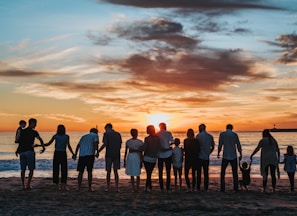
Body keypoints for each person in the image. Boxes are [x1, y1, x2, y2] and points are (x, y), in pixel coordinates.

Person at [45, 125, 75, 191]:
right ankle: (63, 185)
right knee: (64, 169)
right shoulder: (66, 136)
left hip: (57, 153)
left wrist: (41, 145)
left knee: (56, 169)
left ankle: (57, 185)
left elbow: (48, 144)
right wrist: (73, 153)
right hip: (63, 153)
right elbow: (68, 146)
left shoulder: (56, 136)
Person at [18, 118, 45, 190]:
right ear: (32, 123)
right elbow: (40, 139)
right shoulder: (34, 132)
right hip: (29, 151)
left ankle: (23, 185)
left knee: (23, 169)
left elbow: (19, 142)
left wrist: (18, 150)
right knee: (31, 169)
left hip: (22, 151)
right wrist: (43, 148)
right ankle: (28, 185)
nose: (36, 125)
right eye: (35, 123)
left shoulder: (22, 131)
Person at [217, 124, 242, 192]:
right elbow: (238, 145)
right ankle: (235, 188)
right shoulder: (235, 134)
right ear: (232, 128)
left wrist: (218, 153)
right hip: (233, 155)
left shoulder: (222, 134)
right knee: (235, 173)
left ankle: (222, 188)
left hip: (225, 155)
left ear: (226, 128)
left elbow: (220, 145)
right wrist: (240, 153)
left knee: (222, 173)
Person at [98, 123, 122, 192]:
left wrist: (98, 151)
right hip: (117, 154)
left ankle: (108, 187)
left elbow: (105, 144)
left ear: (107, 128)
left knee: (108, 171)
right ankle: (117, 187)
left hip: (109, 154)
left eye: (105, 129)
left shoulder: (106, 134)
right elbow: (120, 145)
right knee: (115, 171)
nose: (105, 130)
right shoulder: (118, 134)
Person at [142, 125, 161, 192]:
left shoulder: (147, 139)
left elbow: (145, 148)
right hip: (154, 158)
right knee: (149, 173)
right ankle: (149, 187)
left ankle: (148, 187)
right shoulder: (158, 138)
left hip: (147, 157)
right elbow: (159, 148)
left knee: (148, 173)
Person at [196, 124, 215, 191]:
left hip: (199, 156)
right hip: (206, 156)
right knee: (206, 173)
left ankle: (198, 187)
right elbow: (213, 146)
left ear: (200, 129)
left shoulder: (198, 136)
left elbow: (196, 146)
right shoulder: (210, 136)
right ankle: (206, 187)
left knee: (199, 173)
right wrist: (209, 152)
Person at [157, 122, 174, 192]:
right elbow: (172, 141)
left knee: (160, 171)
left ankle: (161, 187)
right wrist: (168, 145)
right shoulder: (168, 133)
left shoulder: (157, 134)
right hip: (168, 154)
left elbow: (156, 144)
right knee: (168, 171)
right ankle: (167, 187)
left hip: (160, 154)